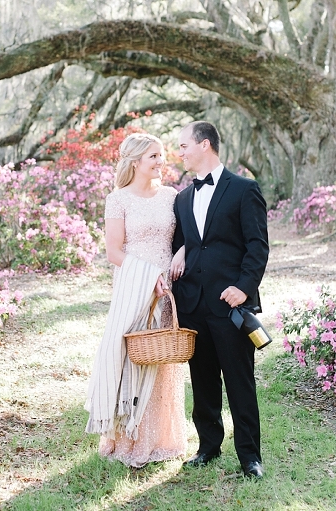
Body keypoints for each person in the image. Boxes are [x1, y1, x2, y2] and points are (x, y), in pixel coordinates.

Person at [169, 121, 269, 478]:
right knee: (203, 381)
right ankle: (208, 446)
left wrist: (244, 287)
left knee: (240, 382)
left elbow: (257, 245)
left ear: (205, 144)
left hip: (231, 304)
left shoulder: (244, 189)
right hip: (193, 303)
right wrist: (180, 251)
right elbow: (185, 241)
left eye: (183, 146)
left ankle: (250, 457)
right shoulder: (182, 197)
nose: (179, 152)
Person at [84, 132, 187, 468]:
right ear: (135, 162)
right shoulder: (118, 199)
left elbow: (188, 237)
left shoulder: (172, 196)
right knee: (134, 356)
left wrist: (180, 255)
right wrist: (148, 278)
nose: (161, 162)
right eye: (153, 157)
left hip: (168, 286)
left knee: (163, 353)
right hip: (135, 284)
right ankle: (129, 439)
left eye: (161, 155)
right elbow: (114, 252)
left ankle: (163, 437)